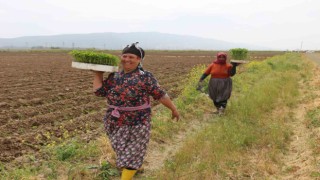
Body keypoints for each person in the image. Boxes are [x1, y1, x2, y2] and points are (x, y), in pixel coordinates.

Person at [93, 42, 180, 180]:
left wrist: (174, 109)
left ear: (139, 59)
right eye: (125, 56)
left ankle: (128, 174)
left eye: (131, 57)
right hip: (114, 121)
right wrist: (98, 74)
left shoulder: (145, 76)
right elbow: (100, 92)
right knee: (122, 151)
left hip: (138, 122)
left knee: (133, 152)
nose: (127, 59)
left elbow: (160, 94)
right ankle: (132, 167)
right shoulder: (114, 76)